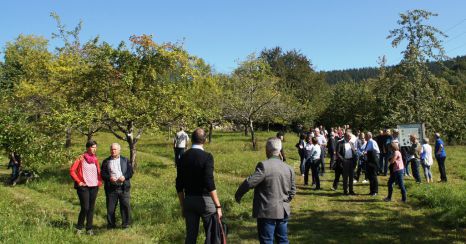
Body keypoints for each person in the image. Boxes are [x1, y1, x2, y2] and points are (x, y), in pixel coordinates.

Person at [235, 137, 296, 244]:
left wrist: (238, 194)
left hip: (267, 211)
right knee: (283, 240)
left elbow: (250, 182)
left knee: (267, 241)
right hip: (283, 210)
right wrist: (285, 201)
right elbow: (293, 191)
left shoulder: (264, 166)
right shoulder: (289, 168)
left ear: (267, 150)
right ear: (279, 150)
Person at [176, 128, 223, 244]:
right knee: (211, 235)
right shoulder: (207, 157)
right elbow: (209, 182)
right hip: (205, 201)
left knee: (191, 236)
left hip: (189, 201)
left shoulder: (183, 157)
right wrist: (218, 206)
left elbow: (179, 184)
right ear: (205, 140)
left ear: (191, 140)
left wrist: (183, 205)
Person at [70, 140, 102, 235]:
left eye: (95, 147)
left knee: (91, 208)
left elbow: (98, 171)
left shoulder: (95, 159)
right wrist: (78, 181)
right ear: (88, 148)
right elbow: (72, 170)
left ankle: (89, 229)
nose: (94, 149)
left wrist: (99, 181)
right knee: (85, 207)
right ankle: (79, 228)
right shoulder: (80, 158)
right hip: (84, 186)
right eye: (92, 147)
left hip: (94, 186)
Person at [101, 143, 133, 229]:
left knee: (125, 206)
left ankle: (126, 225)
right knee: (110, 208)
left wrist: (124, 177)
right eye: (111, 149)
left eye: (115, 149)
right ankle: (111, 225)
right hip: (111, 188)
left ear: (119, 150)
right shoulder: (106, 161)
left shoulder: (125, 160)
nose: (113, 151)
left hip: (123, 187)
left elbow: (130, 172)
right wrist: (109, 178)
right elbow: (102, 174)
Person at [364, 132, 380, 196]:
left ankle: (375, 191)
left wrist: (367, 152)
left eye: (366, 136)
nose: (365, 137)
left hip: (373, 161)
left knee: (374, 176)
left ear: (369, 136)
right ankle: (371, 190)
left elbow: (376, 151)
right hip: (369, 160)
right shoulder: (368, 142)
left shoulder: (372, 142)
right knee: (370, 176)